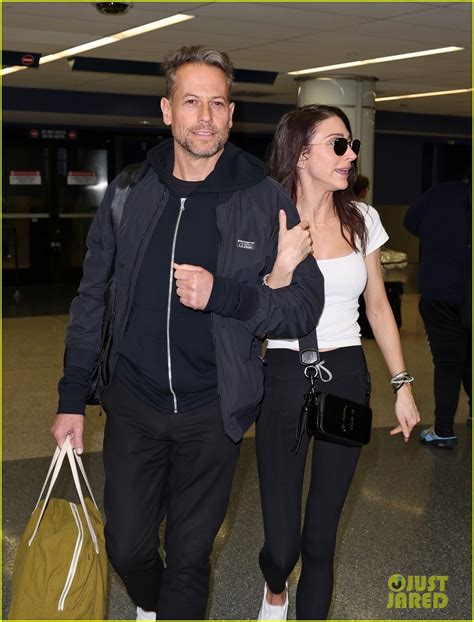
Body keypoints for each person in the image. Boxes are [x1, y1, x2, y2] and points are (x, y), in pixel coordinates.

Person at [51, 46, 324, 621]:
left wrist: (223, 294)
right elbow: (92, 297)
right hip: (133, 402)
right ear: (167, 111)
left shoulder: (262, 197)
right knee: (126, 546)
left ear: (231, 113)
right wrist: (72, 397)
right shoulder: (129, 191)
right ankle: (150, 604)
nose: (205, 116)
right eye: (191, 102)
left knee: (191, 555)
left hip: (213, 409)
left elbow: (303, 306)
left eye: (217, 103)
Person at [255, 105, 420, 620]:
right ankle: (274, 588)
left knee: (321, 539)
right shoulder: (267, 219)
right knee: (282, 547)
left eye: (351, 145)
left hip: (346, 376)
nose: (350, 156)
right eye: (338, 145)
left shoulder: (362, 219)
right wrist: (282, 265)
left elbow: (377, 307)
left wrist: (402, 384)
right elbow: (253, 312)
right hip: (282, 375)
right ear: (302, 155)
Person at [404, 180, 471, 448]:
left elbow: (410, 221)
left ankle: (443, 428)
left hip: (440, 290)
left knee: (448, 361)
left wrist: (437, 236)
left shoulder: (440, 193)